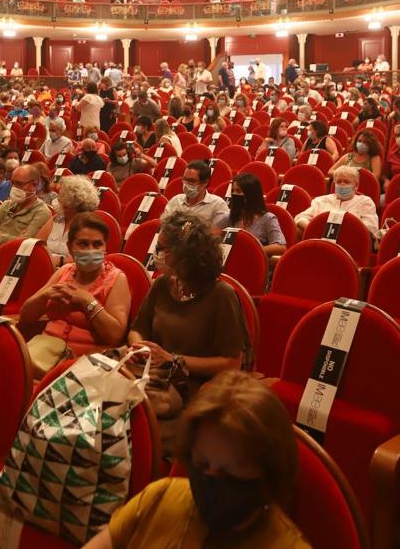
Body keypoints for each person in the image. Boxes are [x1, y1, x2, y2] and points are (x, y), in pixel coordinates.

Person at [52, 369, 323, 549]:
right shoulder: (160, 498)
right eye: (203, 465)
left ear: (268, 475)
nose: (212, 481)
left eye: (230, 474)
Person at [128, 214, 249, 451]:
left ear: (186, 255)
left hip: (193, 387)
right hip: (150, 374)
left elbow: (232, 363)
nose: (157, 253)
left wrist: (173, 359)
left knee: (137, 426)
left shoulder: (221, 295)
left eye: (163, 248)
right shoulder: (163, 285)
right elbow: (137, 330)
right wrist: (139, 346)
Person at [21, 213, 131, 377]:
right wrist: (45, 296)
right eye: (83, 244)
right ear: (70, 247)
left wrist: (88, 302)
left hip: (83, 364)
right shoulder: (64, 272)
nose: (90, 250)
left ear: (105, 247)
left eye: (97, 244)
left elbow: (115, 337)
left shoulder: (116, 278)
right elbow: (25, 316)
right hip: (43, 352)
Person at [0, 164, 51, 255]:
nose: (14, 188)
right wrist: (4, 242)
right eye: (12, 183)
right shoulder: (6, 204)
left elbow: (24, 245)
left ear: (34, 185)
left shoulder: (42, 212)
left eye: (19, 184)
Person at [295, 166, 379, 238]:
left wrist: (342, 232)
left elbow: (371, 229)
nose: (342, 185)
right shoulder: (321, 200)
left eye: (346, 182)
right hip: (320, 240)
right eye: (338, 182)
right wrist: (314, 229)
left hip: (350, 243)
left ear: (356, 186)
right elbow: (301, 217)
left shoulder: (365, 202)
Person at [35, 176, 100, 268]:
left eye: (61, 198)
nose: (58, 200)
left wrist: (60, 260)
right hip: (45, 267)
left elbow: (87, 258)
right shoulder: (56, 219)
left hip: (70, 271)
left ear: (72, 204)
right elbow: (36, 245)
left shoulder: (88, 225)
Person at [226, 173, 286, 258]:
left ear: (250, 194)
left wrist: (253, 250)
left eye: (238, 191)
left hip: (253, 261)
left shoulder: (268, 218)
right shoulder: (231, 216)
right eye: (233, 191)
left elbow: (281, 246)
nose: (234, 194)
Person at [161, 160, 229, 230]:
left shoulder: (217, 205)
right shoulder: (175, 200)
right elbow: (164, 228)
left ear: (205, 182)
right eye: (185, 179)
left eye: (192, 181)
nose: (186, 184)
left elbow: (218, 236)